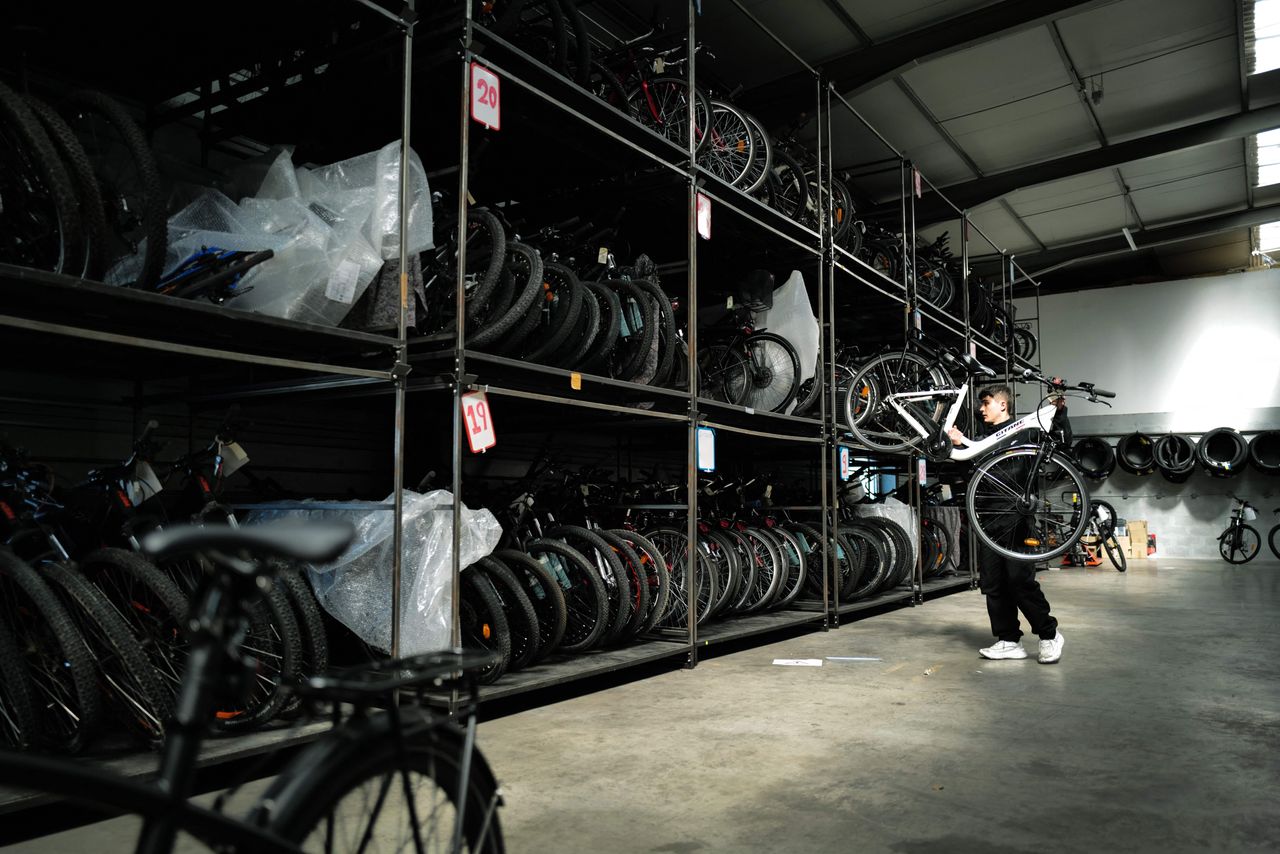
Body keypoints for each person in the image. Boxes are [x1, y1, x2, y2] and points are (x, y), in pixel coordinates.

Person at [947, 385, 1068, 664]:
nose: (981, 409)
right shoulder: (979, 440)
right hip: (987, 520)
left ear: (1003, 405)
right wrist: (957, 446)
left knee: (1019, 580)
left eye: (986, 403)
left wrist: (1061, 412)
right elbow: (971, 475)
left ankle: (1049, 635)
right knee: (993, 583)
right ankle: (1008, 640)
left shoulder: (1024, 431)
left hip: (1016, 517)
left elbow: (1062, 441)